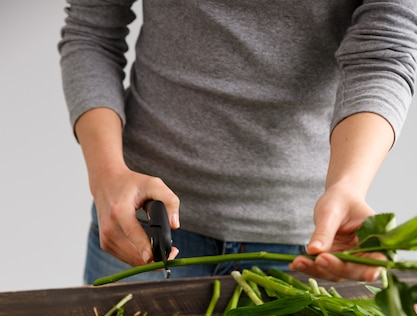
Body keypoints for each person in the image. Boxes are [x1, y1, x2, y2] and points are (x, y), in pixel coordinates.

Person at [58, 1, 417, 284]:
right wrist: (107, 177)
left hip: (306, 240)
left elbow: (386, 53)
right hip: (146, 223)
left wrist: (347, 186)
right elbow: (92, 32)